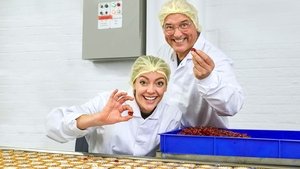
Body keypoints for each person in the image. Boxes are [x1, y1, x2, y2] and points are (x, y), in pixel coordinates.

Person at [46, 55, 182, 157]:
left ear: (166, 87)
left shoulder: (171, 114)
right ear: (133, 83)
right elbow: (54, 125)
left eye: (159, 83)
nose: (151, 90)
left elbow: (168, 156)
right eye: (143, 82)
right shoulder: (106, 102)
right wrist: (98, 119)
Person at [156, 0, 244, 128]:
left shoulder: (215, 58)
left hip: (205, 141)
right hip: (169, 137)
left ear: (195, 25)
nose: (177, 33)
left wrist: (208, 79)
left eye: (184, 25)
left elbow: (233, 106)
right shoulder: (163, 52)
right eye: (169, 27)